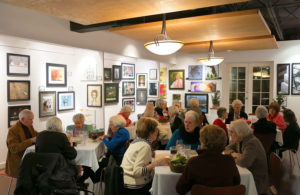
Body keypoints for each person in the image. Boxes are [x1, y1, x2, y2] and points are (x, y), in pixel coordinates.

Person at [176, 125, 240, 194]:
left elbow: (180, 189)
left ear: (203, 141)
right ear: (224, 141)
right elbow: (236, 184)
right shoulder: (229, 161)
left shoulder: (194, 162)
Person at [121, 117, 170, 195]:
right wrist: (157, 163)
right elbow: (137, 172)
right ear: (151, 133)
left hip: (126, 182)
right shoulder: (145, 146)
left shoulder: (136, 142)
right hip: (135, 186)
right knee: (164, 186)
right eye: (156, 130)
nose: (158, 132)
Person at [78, 115, 130, 184]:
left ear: (117, 125)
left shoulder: (121, 133)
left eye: (111, 125)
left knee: (87, 163)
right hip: (116, 157)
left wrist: (103, 139)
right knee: (89, 162)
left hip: (115, 160)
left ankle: (95, 178)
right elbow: (117, 142)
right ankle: (81, 181)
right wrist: (109, 138)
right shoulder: (123, 131)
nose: (110, 127)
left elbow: (111, 146)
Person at [224, 119, 268, 195]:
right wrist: (233, 154)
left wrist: (236, 157)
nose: (230, 134)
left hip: (256, 182)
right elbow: (227, 149)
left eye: (232, 132)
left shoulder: (251, 142)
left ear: (240, 132)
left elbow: (244, 162)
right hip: (248, 174)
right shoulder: (240, 139)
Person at [6, 109, 38, 178]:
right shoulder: (13, 130)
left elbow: (36, 135)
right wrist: (30, 141)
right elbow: (14, 148)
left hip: (29, 157)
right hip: (18, 160)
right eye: (30, 119)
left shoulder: (29, 126)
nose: (32, 122)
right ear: (22, 119)